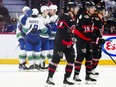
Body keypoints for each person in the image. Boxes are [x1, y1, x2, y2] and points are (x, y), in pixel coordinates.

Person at [70, 2, 106, 84]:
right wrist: (97, 39)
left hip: (87, 40)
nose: (94, 9)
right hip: (81, 39)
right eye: (92, 7)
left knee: (89, 57)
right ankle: (76, 75)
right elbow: (87, 32)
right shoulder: (85, 17)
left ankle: (88, 76)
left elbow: (90, 33)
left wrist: (97, 39)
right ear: (87, 8)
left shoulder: (90, 17)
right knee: (80, 56)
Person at [46, 1, 80, 85]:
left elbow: (73, 31)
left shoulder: (74, 18)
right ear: (71, 8)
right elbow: (61, 29)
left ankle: (66, 79)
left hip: (69, 43)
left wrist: (74, 37)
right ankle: (49, 79)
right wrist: (70, 37)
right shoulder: (65, 16)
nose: (77, 9)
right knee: (56, 60)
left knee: (71, 60)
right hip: (60, 42)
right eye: (76, 7)